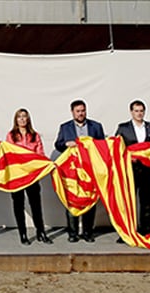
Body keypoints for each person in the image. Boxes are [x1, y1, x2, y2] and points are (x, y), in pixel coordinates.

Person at [54, 99, 105, 243]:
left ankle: (88, 232)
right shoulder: (65, 127)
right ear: (72, 112)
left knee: (90, 200)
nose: (81, 113)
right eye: (78, 111)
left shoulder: (96, 126)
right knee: (72, 201)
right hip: (72, 172)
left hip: (90, 170)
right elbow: (58, 144)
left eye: (83, 110)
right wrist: (65, 144)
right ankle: (73, 233)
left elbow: (102, 146)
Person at [115, 99, 150, 236]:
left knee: (146, 201)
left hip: (147, 170)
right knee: (128, 201)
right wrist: (127, 157)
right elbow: (116, 148)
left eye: (141, 111)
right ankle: (127, 232)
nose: (139, 113)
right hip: (130, 170)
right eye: (136, 111)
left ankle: (145, 230)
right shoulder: (123, 128)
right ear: (131, 112)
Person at [6, 108, 52, 245]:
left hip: (32, 176)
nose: (22, 119)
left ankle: (41, 232)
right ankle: (23, 234)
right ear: (16, 120)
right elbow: (9, 154)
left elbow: (40, 154)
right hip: (17, 176)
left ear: (28, 119)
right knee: (18, 204)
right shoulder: (11, 135)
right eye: (19, 117)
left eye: (24, 116)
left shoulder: (34, 135)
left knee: (36, 205)